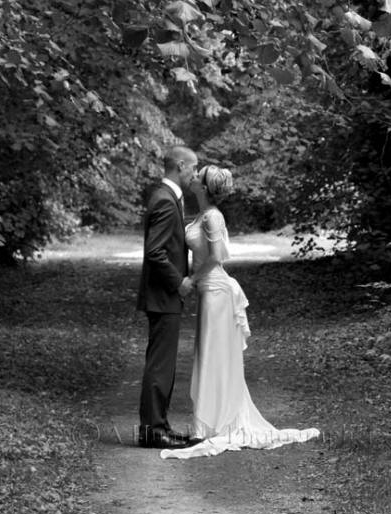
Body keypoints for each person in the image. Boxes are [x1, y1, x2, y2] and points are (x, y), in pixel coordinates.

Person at [161, 165, 320, 459]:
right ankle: (209, 422)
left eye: (198, 175)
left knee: (213, 356)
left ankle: (212, 426)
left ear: (204, 187)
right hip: (208, 292)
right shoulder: (201, 214)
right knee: (208, 356)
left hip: (216, 292)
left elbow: (217, 257)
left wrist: (191, 281)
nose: (193, 176)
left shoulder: (213, 217)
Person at [137, 146, 198, 449]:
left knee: (163, 365)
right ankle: (152, 431)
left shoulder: (167, 196)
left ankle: (159, 425)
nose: (195, 174)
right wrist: (179, 283)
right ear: (180, 165)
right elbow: (155, 252)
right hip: (163, 295)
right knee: (160, 366)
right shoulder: (164, 199)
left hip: (163, 297)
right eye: (193, 168)